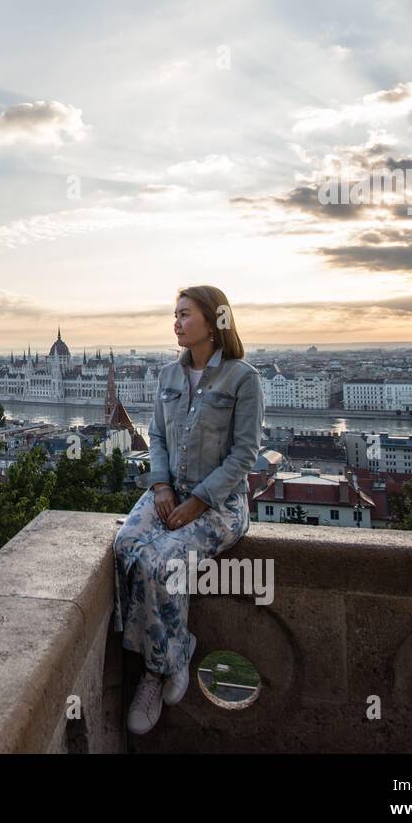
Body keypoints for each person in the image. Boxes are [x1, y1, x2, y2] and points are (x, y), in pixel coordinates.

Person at [112, 285, 263, 736]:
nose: (175, 322)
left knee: (163, 561)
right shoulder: (167, 376)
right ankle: (174, 645)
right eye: (174, 315)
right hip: (169, 492)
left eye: (184, 314)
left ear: (215, 321)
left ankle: (160, 669)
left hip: (219, 503)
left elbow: (244, 455)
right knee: (125, 545)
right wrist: (160, 487)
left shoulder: (242, 378)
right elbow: (155, 437)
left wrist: (199, 500)